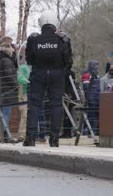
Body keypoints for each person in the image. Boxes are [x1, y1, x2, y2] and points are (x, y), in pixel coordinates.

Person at [24, 10, 73, 147]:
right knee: (56, 105)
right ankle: (54, 139)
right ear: (54, 23)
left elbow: (29, 59)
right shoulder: (63, 39)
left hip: (38, 73)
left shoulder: (34, 39)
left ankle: (30, 138)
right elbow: (69, 62)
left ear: (42, 23)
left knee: (34, 105)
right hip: (57, 74)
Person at [0, 37, 18, 143]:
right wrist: (16, 84)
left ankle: (1, 134)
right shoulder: (7, 61)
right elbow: (9, 76)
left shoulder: (1, 59)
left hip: (2, 89)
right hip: (8, 90)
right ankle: (5, 135)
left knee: (4, 112)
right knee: (6, 113)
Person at [81, 60, 101, 135]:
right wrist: (91, 100)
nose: (97, 67)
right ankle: (89, 131)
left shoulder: (96, 75)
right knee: (91, 115)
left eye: (97, 65)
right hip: (91, 99)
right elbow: (87, 88)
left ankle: (95, 131)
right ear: (91, 66)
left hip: (97, 99)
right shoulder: (86, 75)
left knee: (96, 116)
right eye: (95, 65)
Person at [17, 51, 30, 142]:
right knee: (24, 114)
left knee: (26, 114)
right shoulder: (23, 67)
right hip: (23, 92)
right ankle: (22, 134)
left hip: (28, 92)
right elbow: (20, 78)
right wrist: (30, 82)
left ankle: (25, 133)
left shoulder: (29, 67)